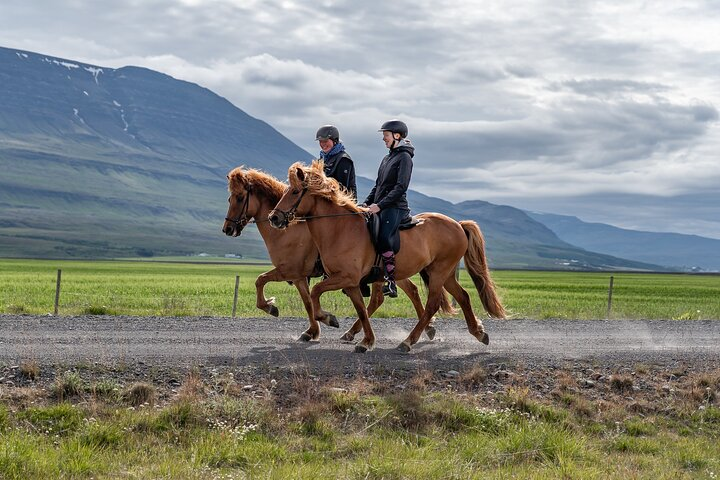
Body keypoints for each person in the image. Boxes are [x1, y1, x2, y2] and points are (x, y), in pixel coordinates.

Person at [363, 119, 413, 297]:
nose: (383, 139)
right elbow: (378, 186)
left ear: (397, 136)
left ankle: (391, 281)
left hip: (395, 207)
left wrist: (380, 205)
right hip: (380, 205)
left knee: (384, 236)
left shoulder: (404, 157)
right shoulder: (387, 158)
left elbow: (401, 187)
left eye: (386, 135)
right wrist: (366, 204)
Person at [316, 125, 357, 200]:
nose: (323, 144)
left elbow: (342, 188)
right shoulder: (322, 159)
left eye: (325, 141)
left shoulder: (343, 159)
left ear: (334, 140)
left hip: (342, 205)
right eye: (320, 141)